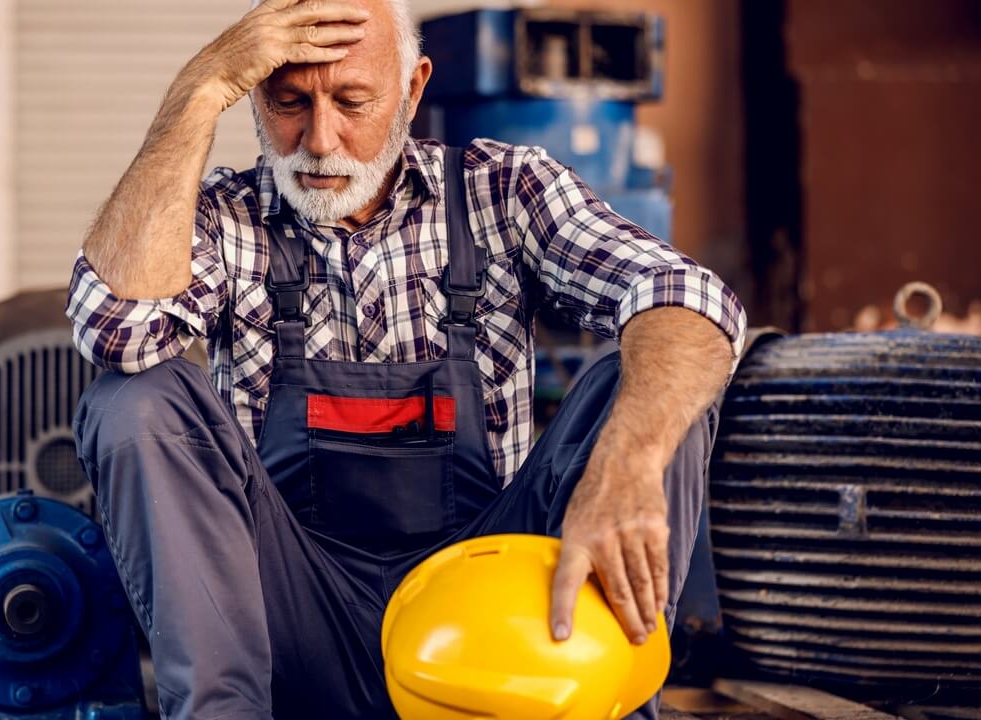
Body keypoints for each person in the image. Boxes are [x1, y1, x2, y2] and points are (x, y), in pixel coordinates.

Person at [67, 0, 746, 717]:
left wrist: (627, 465)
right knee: (135, 402)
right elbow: (117, 329)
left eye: (352, 102)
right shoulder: (224, 219)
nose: (320, 140)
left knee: (646, 375)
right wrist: (199, 87)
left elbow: (690, 297)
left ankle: (600, 701)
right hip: (290, 622)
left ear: (414, 88)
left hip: (491, 627)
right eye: (288, 101)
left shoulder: (503, 192)